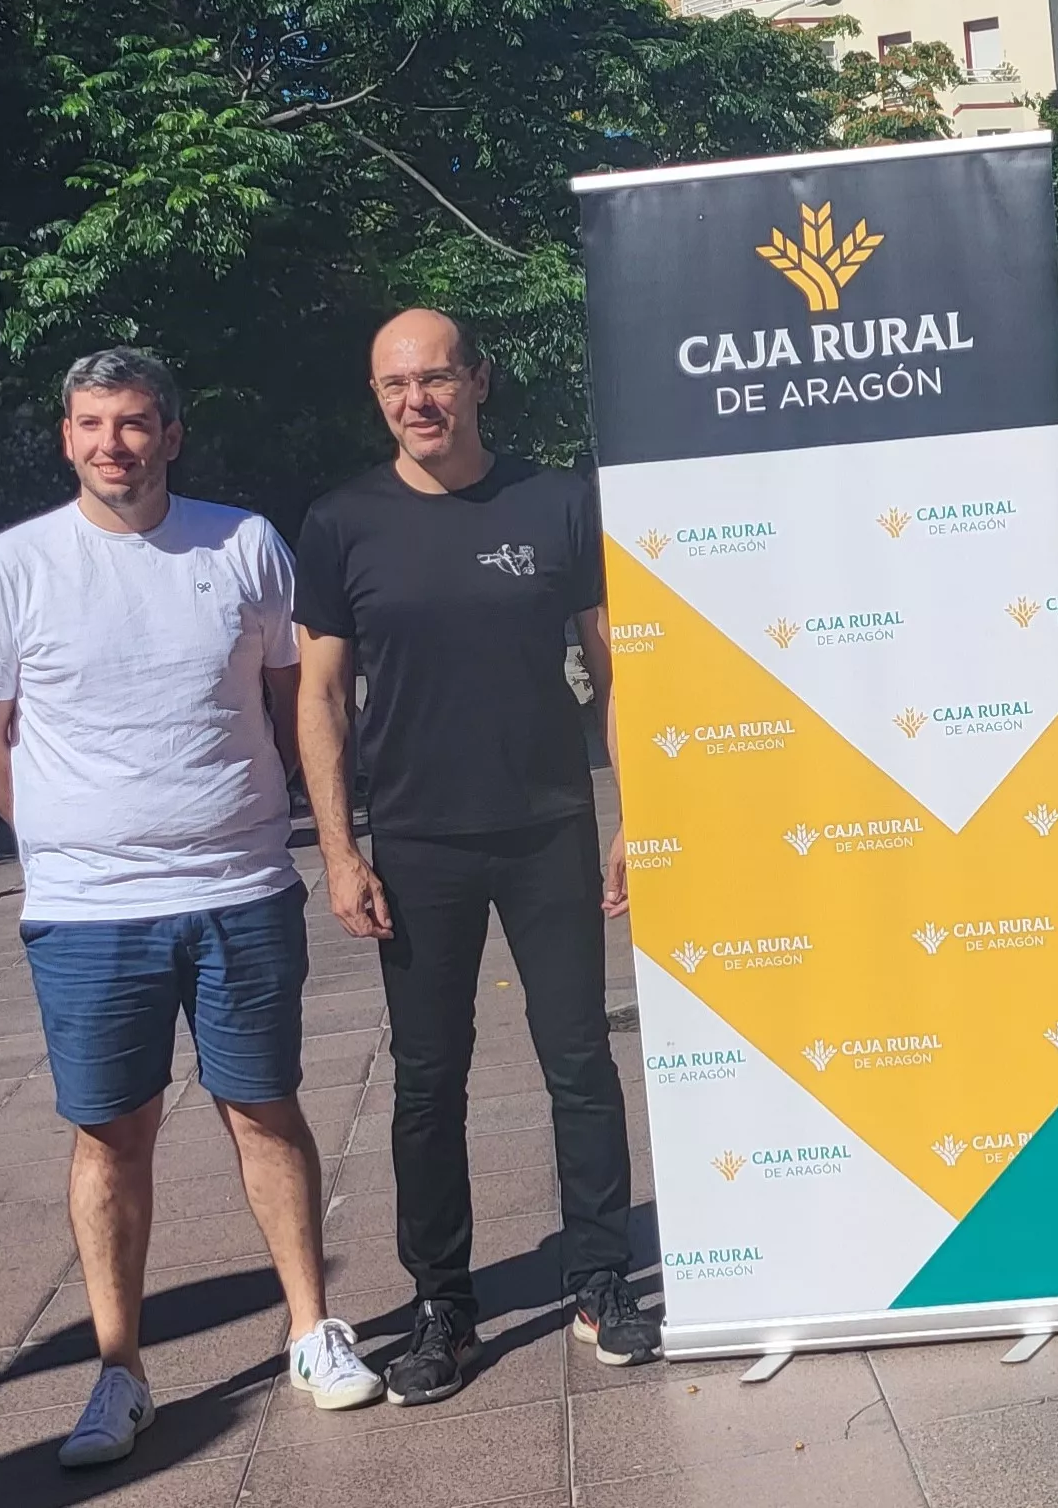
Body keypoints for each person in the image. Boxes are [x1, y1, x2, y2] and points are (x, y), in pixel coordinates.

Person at [0, 350, 383, 1469]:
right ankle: (119, 1371)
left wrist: (329, 843)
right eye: (91, 425)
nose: (112, 445)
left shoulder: (243, 546)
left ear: (172, 435)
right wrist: (61, 832)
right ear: (65, 435)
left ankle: (309, 1330)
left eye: (134, 424)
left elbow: (298, 706)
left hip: (238, 888)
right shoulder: (13, 567)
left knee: (264, 1109)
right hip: (87, 914)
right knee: (109, 1136)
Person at [294, 309, 656, 1406]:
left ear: (478, 382)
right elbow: (317, 694)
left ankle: (601, 1283)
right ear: (377, 397)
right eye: (395, 384)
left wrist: (633, 811)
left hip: (545, 824)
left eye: (437, 378)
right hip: (415, 844)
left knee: (579, 1064)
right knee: (426, 1081)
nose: (418, 401)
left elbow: (614, 661)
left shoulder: (553, 500)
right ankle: (444, 1309)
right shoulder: (341, 521)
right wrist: (340, 849)